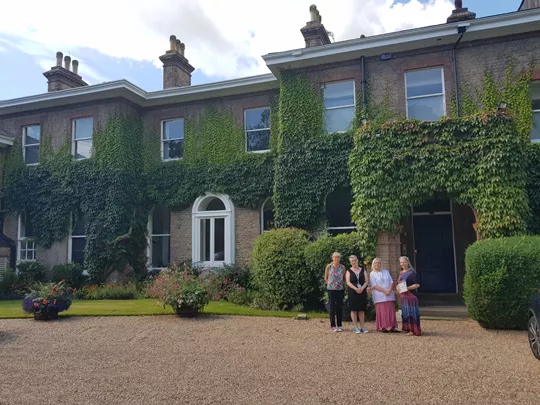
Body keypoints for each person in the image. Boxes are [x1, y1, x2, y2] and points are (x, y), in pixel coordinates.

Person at [369, 257, 399, 333]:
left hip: (389, 294)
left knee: (390, 311)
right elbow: (374, 285)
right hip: (379, 295)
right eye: (376, 263)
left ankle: (392, 326)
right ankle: (383, 327)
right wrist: (385, 291)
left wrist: (389, 290)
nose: (377, 264)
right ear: (373, 264)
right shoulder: (372, 274)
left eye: (379, 262)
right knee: (382, 311)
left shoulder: (386, 272)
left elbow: (391, 282)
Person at [396, 256, 422, 336]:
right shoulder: (401, 272)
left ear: (407, 262)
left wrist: (408, 288)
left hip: (411, 296)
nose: (402, 264)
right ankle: (407, 328)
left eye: (404, 262)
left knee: (412, 313)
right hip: (403, 296)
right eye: (401, 262)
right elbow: (399, 284)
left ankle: (413, 330)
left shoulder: (412, 273)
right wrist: (397, 288)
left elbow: (417, 285)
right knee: (406, 312)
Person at [346, 255, 369, 334]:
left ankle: (362, 327)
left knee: (361, 310)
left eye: (355, 260)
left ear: (357, 260)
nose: (354, 262)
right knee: (354, 309)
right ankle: (355, 327)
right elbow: (348, 282)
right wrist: (356, 289)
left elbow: (366, 281)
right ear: (350, 262)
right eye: (352, 261)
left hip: (362, 291)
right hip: (353, 292)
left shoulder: (363, 270)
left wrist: (362, 288)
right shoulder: (349, 271)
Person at [324, 252, 346, 332]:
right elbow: (326, 277)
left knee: (339, 307)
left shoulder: (342, 267)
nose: (336, 259)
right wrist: (330, 284)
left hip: (340, 289)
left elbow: (344, 278)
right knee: (332, 307)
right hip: (331, 289)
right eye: (335, 257)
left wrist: (341, 285)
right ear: (332, 258)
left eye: (338, 258)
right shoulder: (329, 267)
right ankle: (333, 325)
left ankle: (339, 325)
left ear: (340, 259)